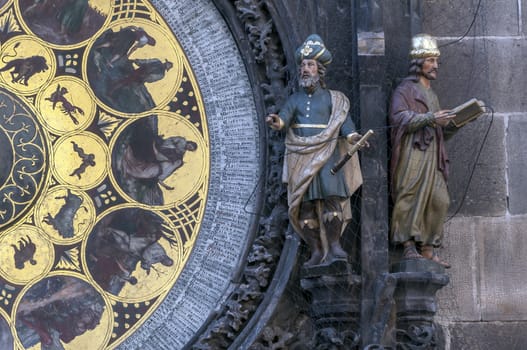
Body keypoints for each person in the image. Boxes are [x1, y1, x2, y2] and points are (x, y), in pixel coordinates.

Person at [266, 34, 363, 267]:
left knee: (332, 200)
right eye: (303, 66)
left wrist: (352, 136)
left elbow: (342, 121)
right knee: (304, 205)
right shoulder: (295, 100)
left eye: (310, 65)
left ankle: (335, 245)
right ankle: (316, 250)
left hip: (328, 155)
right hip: (301, 155)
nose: (305, 70)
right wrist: (276, 122)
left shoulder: (333, 99)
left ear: (320, 70)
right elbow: (284, 120)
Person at [389, 33, 459, 268]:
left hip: (433, 153)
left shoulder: (433, 95)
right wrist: (431, 117)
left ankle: (428, 248)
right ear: (419, 62)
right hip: (413, 153)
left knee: (440, 200)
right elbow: (399, 117)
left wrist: (455, 124)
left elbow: (439, 128)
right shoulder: (406, 90)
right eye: (430, 60)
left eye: (436, 61)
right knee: (409, 194)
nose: (435, 66)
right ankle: (408, 245)